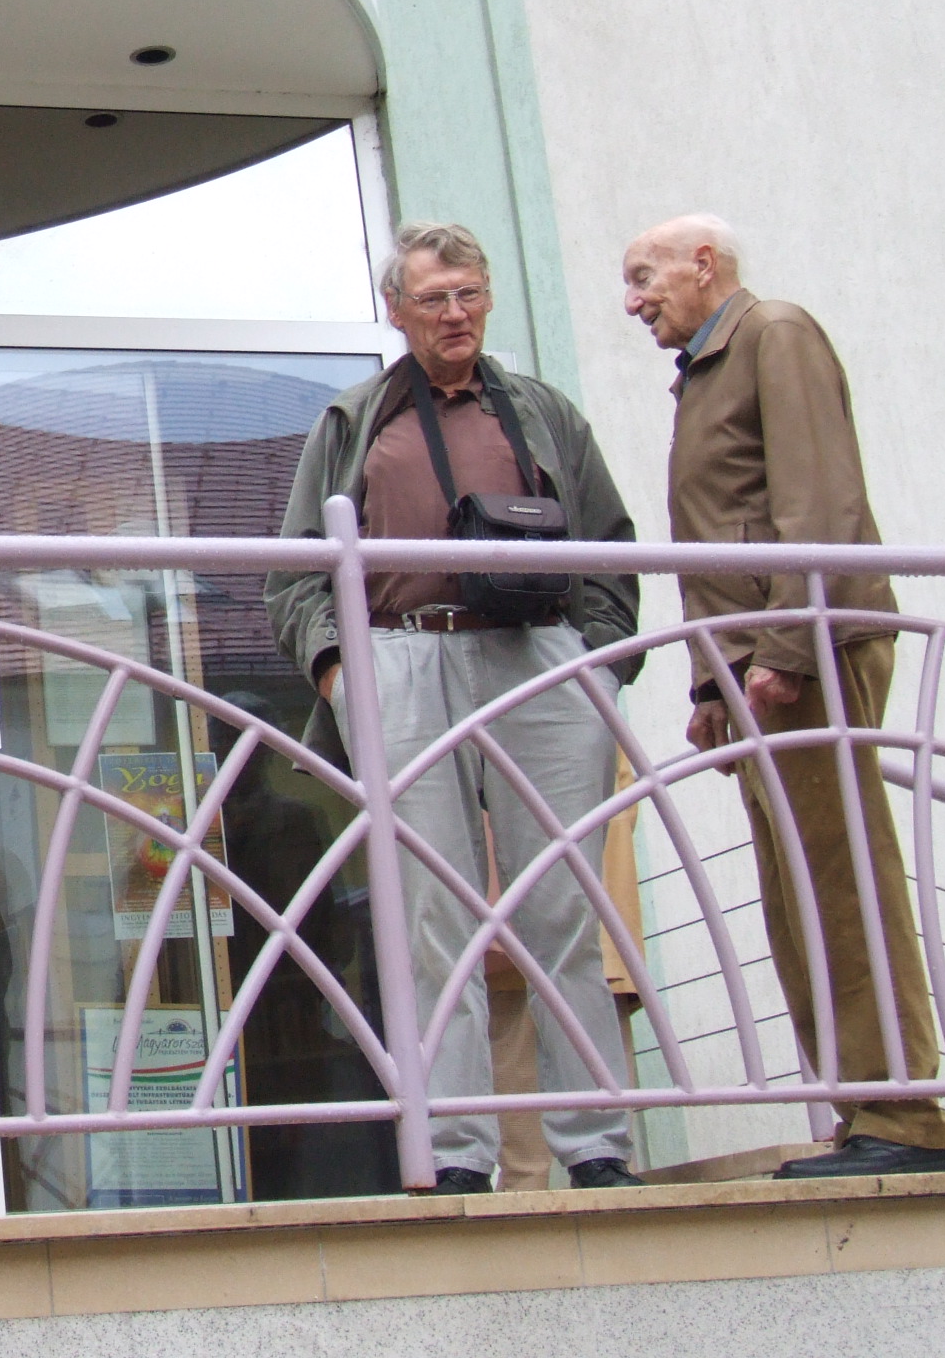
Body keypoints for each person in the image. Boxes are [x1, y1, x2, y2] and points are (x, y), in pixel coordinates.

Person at [265, 222, 646, 1196]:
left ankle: (597, 1146)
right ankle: (458, 1154)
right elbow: (296, 570)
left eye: (469, 294)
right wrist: (339, 672)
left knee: (563, 902)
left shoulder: (543, 413)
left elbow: (612, 543)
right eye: (434, 299)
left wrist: (597, 667)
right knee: (430, 916)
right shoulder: (355, 420)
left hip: (539, 660)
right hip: (402, 657)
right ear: (396, 311)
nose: (455, 315)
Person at [621, 214, 945, 1177]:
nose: (632, 300)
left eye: (644, 276)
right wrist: (711, 680)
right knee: (798, 890)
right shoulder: (708, 367)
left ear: (704, 264)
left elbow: (818, 504)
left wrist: (783, 649)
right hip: (762, 667)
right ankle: (863, 1109)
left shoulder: (773, 333)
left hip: (804, 655)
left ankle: (904, 1117)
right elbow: (723, 534)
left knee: (840, 877)